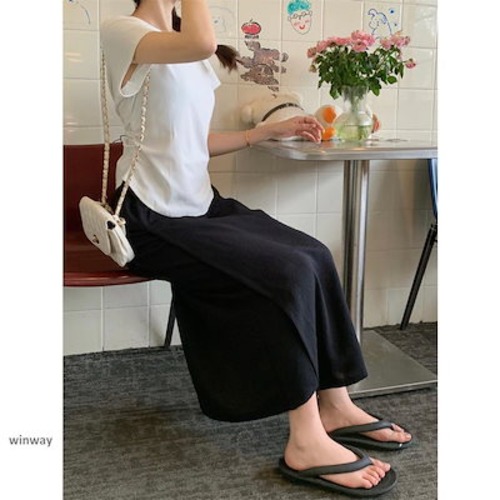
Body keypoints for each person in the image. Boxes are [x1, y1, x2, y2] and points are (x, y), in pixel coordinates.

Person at [100, 1, 412, 496]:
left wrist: (261, 133)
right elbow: (201, 41)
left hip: (200, 206)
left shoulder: (187, 45)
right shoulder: (124, 31)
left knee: (313, 254)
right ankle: (306, 440)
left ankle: (335, 403)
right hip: (150, 218)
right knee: (284, 272)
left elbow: (189, 141)